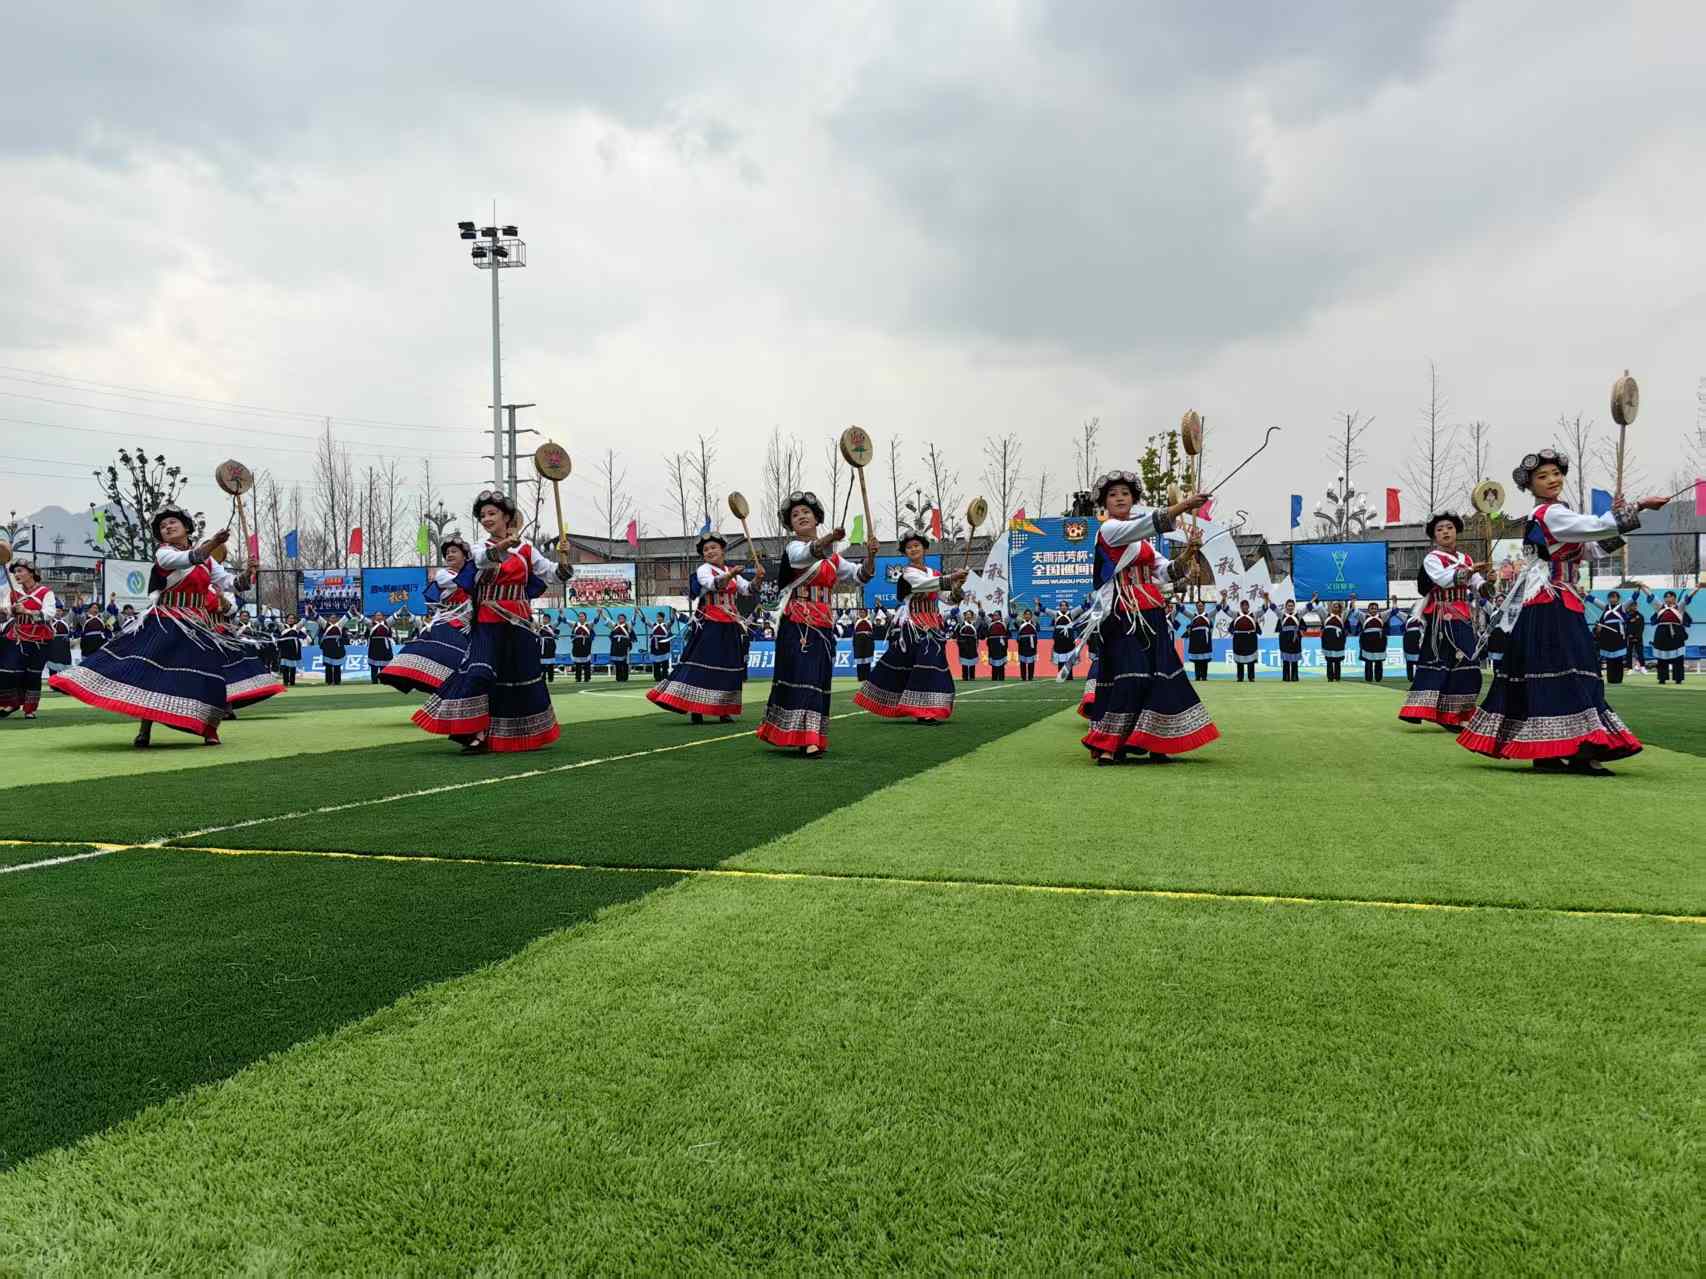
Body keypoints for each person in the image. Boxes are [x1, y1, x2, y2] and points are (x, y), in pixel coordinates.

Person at [1457, 447, 1668, 774]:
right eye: (1542, 476)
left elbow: (1593, 547)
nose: (1552, 480)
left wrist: (1617, 521)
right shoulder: (1549, 514)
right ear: (1531, 486)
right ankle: (1579, 749)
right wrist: (1636, 507)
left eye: (1556, 474)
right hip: (1550, 604)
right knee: (1573, 671)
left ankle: (1550, 752)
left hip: (1556, 602)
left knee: (1555, 673)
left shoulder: (1556, 515)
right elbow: (1597, 527)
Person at [48, 510, 268, 745]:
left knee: (209, 676)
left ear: (186, 527)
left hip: (198, 626)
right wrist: (214, 542)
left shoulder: (209, 561)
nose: (168, 527)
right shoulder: (164, 552)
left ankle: (208, 729)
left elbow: (233, 584)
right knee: (152, 672)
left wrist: (248, 572)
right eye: (163, 526)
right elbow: (188, 559)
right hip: (166, 620)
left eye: (173, 522)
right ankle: (145, 730)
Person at [1062, 473, 1215, 763]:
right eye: (1113, 494)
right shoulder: (1109, 531)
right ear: (1104, 503)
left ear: (1133, 499)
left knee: (1161, 676)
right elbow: (1146, 524)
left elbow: (1166, 572)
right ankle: (1110, 745)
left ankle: (1157, 741)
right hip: (1123, 613)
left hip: (1152, 612)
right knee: (1129, 676)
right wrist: (1184, 506)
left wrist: (1187, 555)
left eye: (1125, 493)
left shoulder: (1145, 544)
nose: (1120, 497)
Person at [413, 489, 572, 753]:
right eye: (483, 515)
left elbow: (553, 575)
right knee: (480, 672)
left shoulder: (526, 549)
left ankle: (523, 734)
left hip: (519, 621)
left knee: (523, 676)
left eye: (492, 514)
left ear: (507, 517)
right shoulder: (479, 548)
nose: (486, 519)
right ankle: (470, 732)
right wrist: (500, 548)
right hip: (488, 619)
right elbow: (478, 564)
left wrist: (564, 560)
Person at [756, 491, 876, 755]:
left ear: (816, 518)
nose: (801, 517)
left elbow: (859, 576)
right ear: (791, 524)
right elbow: (804, 556)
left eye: (805, 513)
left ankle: (806, 735)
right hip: (798, 621)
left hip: (823, 624)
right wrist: (832, 537)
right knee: (803, 676)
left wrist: (871, 556)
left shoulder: (833, 559)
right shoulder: (794, 548)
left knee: (819, 679)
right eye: (795, 515)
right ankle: (806, 738)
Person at [648, 532, 763, 723]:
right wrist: (731, 574)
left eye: (713, 548)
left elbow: (748, 589)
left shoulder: (729, 570)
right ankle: (695, 708)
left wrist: (758, 578)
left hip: (731, 624)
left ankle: (723, 709)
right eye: (706, 550)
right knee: (702, 665)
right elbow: (713, 584)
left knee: (729, 665)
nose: (710, 552)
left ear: (723, 550)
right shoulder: (704, 570)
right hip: (710, 623)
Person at [853, 530, 966, 723]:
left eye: (916, 546)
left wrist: (956, 589)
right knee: (919, 664)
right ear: (905, 553)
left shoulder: (935, 573)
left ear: (924, 549)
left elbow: (946, 598)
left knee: (927, 664)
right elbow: (924, 585)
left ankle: (926, 709)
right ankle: (920, 710)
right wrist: (953, 577)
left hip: (933, 625)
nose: (913, 549)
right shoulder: (907, 573)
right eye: (909, 547)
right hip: (914, 625)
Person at [1398, 513, 1488, 729]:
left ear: (1456, 531)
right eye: (1440, 529)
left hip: (1464, 617)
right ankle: (1429, 710)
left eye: (1449, 527)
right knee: (1440, 662)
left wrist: (1488, 582)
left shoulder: (1466, 559)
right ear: (1434, 536)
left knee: (1467, 663)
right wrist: (1471, 572)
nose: (1446, 531)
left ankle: (1454, 713)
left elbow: (1478, 587)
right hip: (1442, 617)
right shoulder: (1433, 558)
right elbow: (1443, 579)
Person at [0, 561, 58, 719]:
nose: (16, 575)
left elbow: (49, 614)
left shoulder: (46, 592)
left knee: (33, 674)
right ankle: (11, 703)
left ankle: (30, 709)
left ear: (31, 573)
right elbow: (4, 615)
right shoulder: (12, 593)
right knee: (8, 670)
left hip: (40, 640)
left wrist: (26, 610)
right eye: (15, 572)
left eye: (20, 571)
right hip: (17, 636)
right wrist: (7, 610)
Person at [1649, 588, 1695, 685]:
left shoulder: (1680, 607)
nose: (1668, 598)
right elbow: (1651, 597)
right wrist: (1643, 587)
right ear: (1664, 599)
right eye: (1666, 597)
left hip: (1676, 632)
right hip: (1661, 633)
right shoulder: (1660, 607)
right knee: (1661, 657)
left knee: (1678, 657)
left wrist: (1697, 588)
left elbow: (1688, 597)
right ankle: (1662, 678)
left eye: (1671, 596)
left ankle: (1678, 678)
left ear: (1674, 598)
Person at [1588, 590, 1629, 685]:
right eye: (1610, 597)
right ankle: (1610, 679)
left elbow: (1632, 599)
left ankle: (1618, 679)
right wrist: (1586, 595)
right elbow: (1595, 601)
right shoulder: (1606, 608)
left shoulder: (1622, 607)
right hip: (1607, 635)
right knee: (1609, 659)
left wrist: (1638, 591)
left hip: (1618, 634)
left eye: (1614, 597)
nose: (1612, 599)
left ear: (1618, 599)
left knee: (1618, 658)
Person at [1269, 595, 1305, 682]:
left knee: (1294, 659)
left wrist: (1313, 599)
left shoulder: (1298, 615)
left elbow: (1307, 609)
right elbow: (1274, 608)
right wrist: (1268, 599)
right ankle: (1285, 677)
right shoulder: (1282, 615)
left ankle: (1295, 677)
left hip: (1295, 639)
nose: (1290, 607)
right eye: (1289, 606)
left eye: (1292, 606)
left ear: (1294, 607)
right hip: (1284, 639)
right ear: (1286, 606)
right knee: (1286, 659)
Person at [1226, 594, 1260, 682]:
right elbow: (1226, 609)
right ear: (1241, 607)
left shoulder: (1254, 614)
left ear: (1248, 606)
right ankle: (1240, 677)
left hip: (1250, 638)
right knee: (1239, 658)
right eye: (1243, 605)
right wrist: (1224, 598)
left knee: (1251, 659)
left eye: (1246, 605)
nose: (1245, 607)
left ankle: (1251, 677)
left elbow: (1264, 609)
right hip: (1239, 638)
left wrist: (1266, 599)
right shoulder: (1236, 614)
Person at [1357, 600, 1388, 682]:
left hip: (1379, 641)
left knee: (1379, 661)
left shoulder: (1382, 616)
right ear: (1368, 610)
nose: (1373, 610)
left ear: (1378, 609)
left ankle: (1378, 678)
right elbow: (1356, 612)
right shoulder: (1364, 617)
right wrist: (1353, 601)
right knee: (1368, 661)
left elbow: (1392, 611)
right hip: (1367, 641)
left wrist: (1394, 602)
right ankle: (1368, 678)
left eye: (1375, 608)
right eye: (1372, 608)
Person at [1317, 598, 1347, 682]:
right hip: (1328, 639)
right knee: (1329, 659)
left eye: (1337, 607)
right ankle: (1330, 677)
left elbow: (1350, 610)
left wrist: (1351, 600)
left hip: (1338, 640)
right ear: (1331, 607)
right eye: (1334, 606)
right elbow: (1319, 608)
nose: (1336, 608)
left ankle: (1337, 677)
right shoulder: (1326, 615)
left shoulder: (1342, 616)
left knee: (1337, 660)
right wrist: (1316, 599)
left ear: (1340, 608)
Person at [277, 614, 307, 687]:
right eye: (289, 618)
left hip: (294, 648)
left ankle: (292, 682)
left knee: (293, 667)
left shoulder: (296, 627)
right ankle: (285, 682)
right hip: (285, 648)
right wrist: (270, 611)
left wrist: (306, 612)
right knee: (285, 666)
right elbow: (276, 621)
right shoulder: (283, 627)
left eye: (292, 618)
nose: (291, 620)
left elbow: (303, 621)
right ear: (286, 619)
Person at [365, 611, 394, 684]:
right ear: (374, 617)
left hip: (384, 646)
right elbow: (364, 620)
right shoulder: (371, 624)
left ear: (383, 617)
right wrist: (357, 613)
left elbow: (394, 617)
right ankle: (374, 682)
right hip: (374, 646)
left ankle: (383, 682)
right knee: (374, 667)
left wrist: (401, 610)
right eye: (377, 615)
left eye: (380, 615)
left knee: (383, 667)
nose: (379, 617)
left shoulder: (387, 623)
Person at [953, 609, 980, 681]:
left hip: (972, 643)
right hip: (964, 643)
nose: (968, 616)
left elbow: (980, 618)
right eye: (966, 614)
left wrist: (979, 608)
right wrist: (957, 606)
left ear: (972, 616)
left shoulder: (974, 624)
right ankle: (964, 677)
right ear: (965, 616)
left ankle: (972, 677)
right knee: (964, 660)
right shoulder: (962, 623)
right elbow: (958, 616)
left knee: (972, 659)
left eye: (969, 614)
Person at [319, 616, 347, 686]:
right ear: (329, 619)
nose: (333, 619)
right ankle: (329, 682)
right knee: (328, 666)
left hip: (338, 648)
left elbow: (346, 617)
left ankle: (337, 681)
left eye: (335, 618)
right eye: (332, 618)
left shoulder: (340, 625)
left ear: (337, 619)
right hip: (328, 648)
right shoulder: (325, 625)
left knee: (337, 666)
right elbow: (318, 618)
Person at [851, 608, 876, 684]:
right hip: (858, 642)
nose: (862, 614)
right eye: (860, 612)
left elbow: (874, 614)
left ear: (866, 613)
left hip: (868, 642)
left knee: (867, 660)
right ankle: (860, 677)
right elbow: (851, 615)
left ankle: (867, 677)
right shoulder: (856, 621)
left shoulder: (869, 620)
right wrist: (845, 604)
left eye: (863, 612)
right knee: (859, 660)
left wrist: (877, 605)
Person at [569, 611, 594, 683]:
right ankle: (578, 678)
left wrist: (599, 614)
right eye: (579, 616)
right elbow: (565, 620)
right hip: (577, 644)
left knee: (587, 662)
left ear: (585, 618)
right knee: (578, 663)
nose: (581, 617)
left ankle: (587, 678)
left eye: (582, 616)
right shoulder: (575, 624)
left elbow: (596, 620)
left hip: (586, 644)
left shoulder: (588, 625)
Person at [608, 612, 634, 682]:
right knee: (617, 662)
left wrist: (635, 613)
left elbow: (633, 621)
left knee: (624, 662)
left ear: (625, 619)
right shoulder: (615, 625)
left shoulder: (627, 625)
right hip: (616, 645)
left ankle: (624, 677)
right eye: (619, 618)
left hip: (624, 645)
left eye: (622, 618)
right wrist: (601, 614)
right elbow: (608, 621)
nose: (621, 619)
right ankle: (618, 677)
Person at [1015, 608, 1039, 681]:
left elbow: (1038, 629)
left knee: (1031, 661)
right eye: (1026, 614)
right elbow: (1015, 621)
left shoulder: (1034, 623)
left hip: (1031, 643)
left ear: (1031, 616)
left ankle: (1031, 676)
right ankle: (1023, 677)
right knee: (1023, 661)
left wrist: (1037, 605)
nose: (1027, 616)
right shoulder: (1020, 623)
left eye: (1029, 614)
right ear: (1024, 615)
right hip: (1023, 643)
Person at [986, 611, 1010, 681]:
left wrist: (1012, 607)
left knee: (1001, 662)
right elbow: (984, 617)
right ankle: (994, 678)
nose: (995, 617)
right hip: (992, 645)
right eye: (994, 615)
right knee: (994, 662)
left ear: (1000, 616)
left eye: (996, 615)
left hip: (1001, 645)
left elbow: (1009, 617)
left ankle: (1002, 678)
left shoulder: (1004, 623)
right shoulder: (990, 624)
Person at [648, 612, 672, 682]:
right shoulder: (654, 625)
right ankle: (657, 677)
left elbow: (672, 621)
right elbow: (646, 621)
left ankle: (665, 676)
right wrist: (639, 613)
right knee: (656, 663)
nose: (658, 618)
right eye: (657, 617)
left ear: (663, 618)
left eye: (660, 617)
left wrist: (673, 613)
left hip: (664, 644)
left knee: (665, 663)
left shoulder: (666, 625)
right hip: (655, 644)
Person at [538, 616, 559, 682]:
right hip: (542, 645)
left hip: (550, 645)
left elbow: (558, 621)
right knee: (542, 662)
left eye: (546, 619)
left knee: (550, 662)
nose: (545, 620)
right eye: (544, 618)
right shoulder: (539, 627)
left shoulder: (552, 627)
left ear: (549, 620)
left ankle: (551, 678)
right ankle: (542, 677)